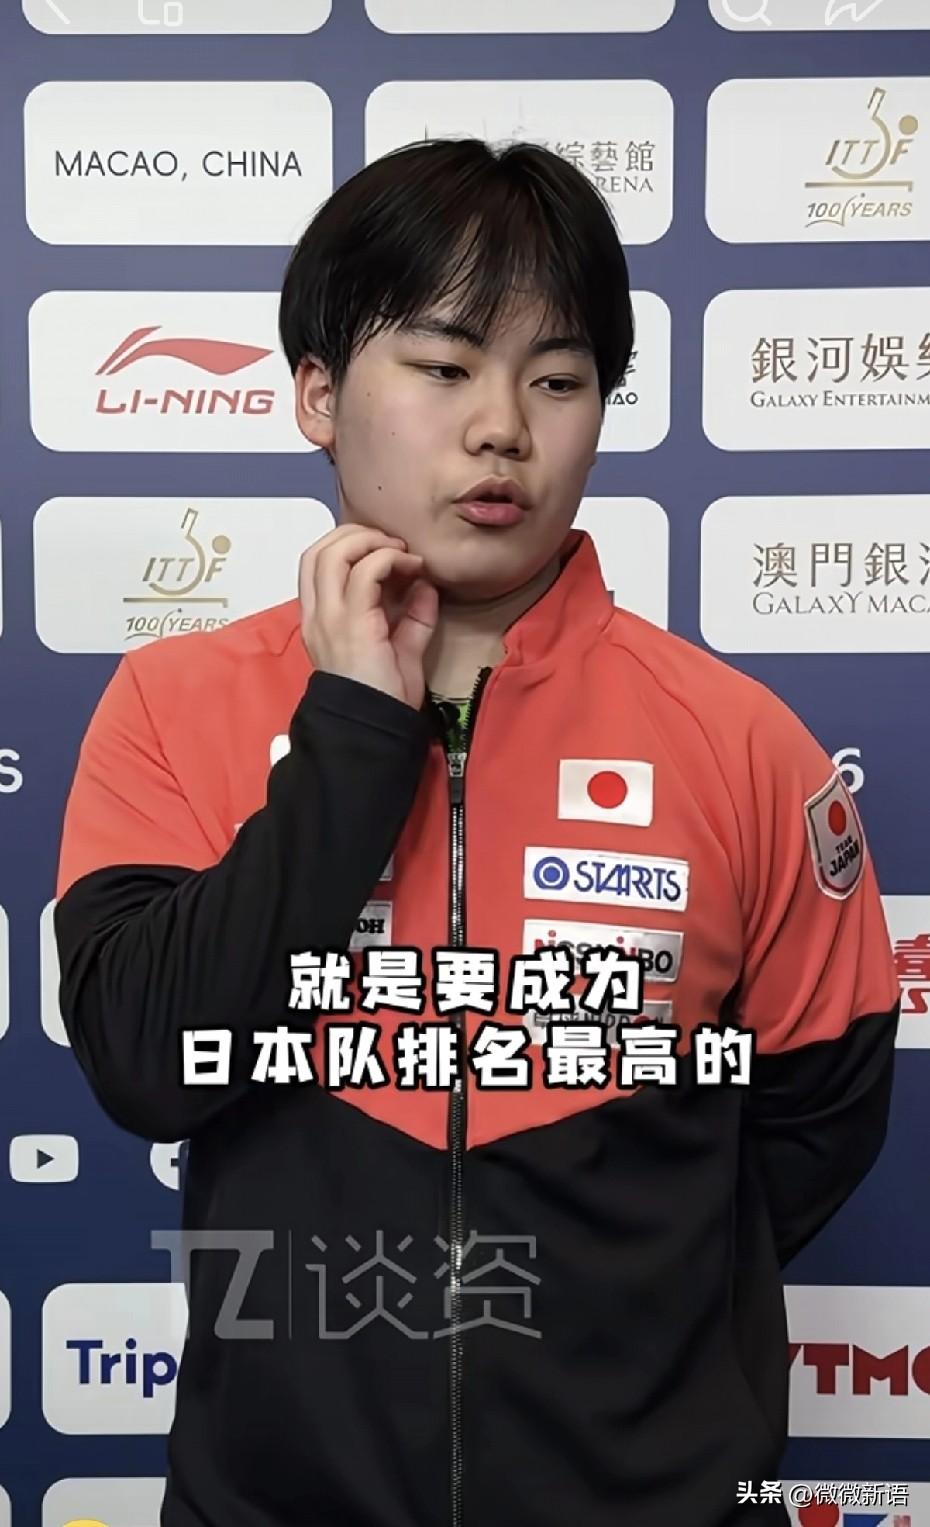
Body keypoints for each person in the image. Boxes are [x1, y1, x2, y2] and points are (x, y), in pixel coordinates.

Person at [54, 137, 900, 1527]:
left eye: (557, 380)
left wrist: (621, 1302)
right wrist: (350, 727)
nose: (502, 426)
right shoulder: (171, 704)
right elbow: (150, 1058)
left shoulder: (742, 740)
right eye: (444, 367)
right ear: (318, 394)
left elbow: (817, 1115)